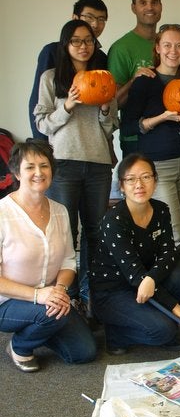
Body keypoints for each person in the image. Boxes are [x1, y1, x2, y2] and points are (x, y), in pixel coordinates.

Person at [34, 19, 118, 310]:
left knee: (96, 231)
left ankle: (91, 296)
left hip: (98, 164)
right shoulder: (51, 78)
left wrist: (107, 109)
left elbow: (109, 128)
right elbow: (42, 123)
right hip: (64, 164)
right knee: (66, 231)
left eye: (89, 41)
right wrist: (67, 106)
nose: (83, 46)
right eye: (76, 41)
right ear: (65, 44)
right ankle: (63, 297)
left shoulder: (105, 79)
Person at [0, 140, 96, 372]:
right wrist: (38, 295)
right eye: (30, 167)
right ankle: (19, 346)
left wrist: (60, 290)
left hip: (50, 297)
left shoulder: (60, 211)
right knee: (53, 315)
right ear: (16, 173)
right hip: (7, 302)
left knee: (84, 352)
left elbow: (68, 261)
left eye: (44, 166)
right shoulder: (2, 214)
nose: (38, 173)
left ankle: (41, 325)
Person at [90, 153, 180, 354]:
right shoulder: (114, 220)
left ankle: (154, 318)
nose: (139, 184)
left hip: (145, 282)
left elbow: (169, 253)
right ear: (121, 185)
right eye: (131, 179)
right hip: (113, 291)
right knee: (164, 330)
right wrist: (174, 307)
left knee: (179, 277)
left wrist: (151, 278)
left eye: (146, 177)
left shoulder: (161, 209)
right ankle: (116, 334)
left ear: (155, 180)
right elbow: (134, 274)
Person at [121, 24, 180, 246]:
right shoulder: (145, 81)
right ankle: (172, 278)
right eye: (167, 45)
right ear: (157, 48)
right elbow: (128, 126)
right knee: (174, 230)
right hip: (158, 165)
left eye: (179, 46)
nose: (173, 51)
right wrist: (162, 117)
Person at [29, 0, 109, 141]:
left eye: (101, 19)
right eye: (89, 17)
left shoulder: (101, 58)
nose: (95, 24)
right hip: (59, 148)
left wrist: (109, 147)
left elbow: (105, 106)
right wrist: (41, 146)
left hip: (95, 149)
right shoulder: (52, 52)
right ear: (74, 18)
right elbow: (39, 103)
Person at [108, 0, 162, 154]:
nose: (149, 8)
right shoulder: (121, 48)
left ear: (161, 6)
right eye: (143, 3)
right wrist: (134, 81)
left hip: (167, 136)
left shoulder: (169, 45)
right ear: (134, 8)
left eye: (154, 2)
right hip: (136, 139)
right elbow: (113, 103)